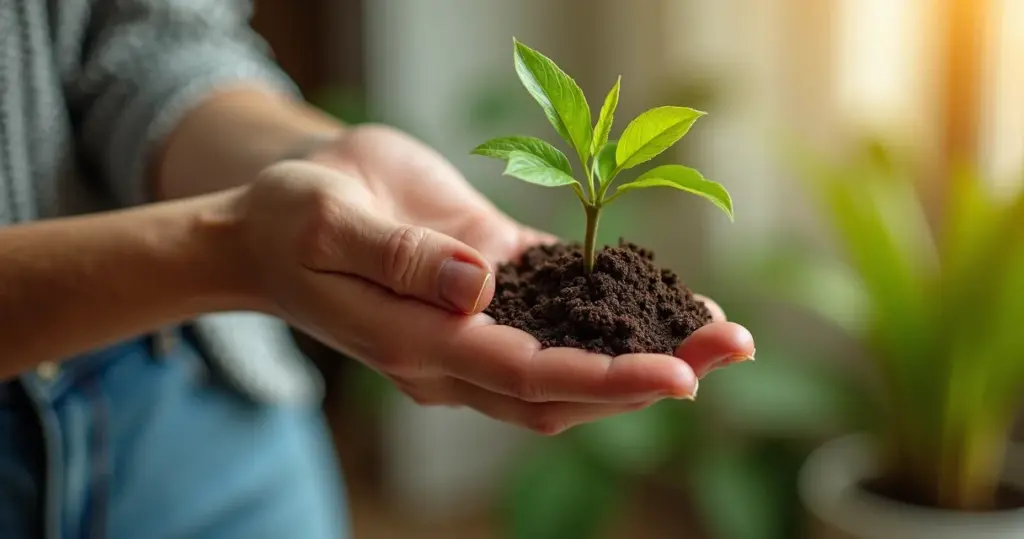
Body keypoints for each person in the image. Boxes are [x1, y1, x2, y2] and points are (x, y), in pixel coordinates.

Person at [0, 1, 756, 538]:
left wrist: (313, 164)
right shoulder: (232, 254)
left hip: (197, 396)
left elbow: (154, 40)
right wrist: (229, 248)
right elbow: (239, 244)